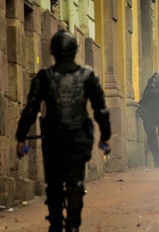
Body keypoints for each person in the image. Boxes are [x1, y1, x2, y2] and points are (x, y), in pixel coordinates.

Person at [16, 30, 111, 232]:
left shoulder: (44, 77)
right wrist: (106, 136)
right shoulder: (88, 76)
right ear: (75, 51)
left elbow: (31, 109)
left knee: (55, 184)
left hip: (54, 139)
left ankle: (57, 224)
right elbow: (100, 109)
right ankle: (73, 225)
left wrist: (21, 137)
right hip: (79, 139)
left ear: (53, 52)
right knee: (76, 181)